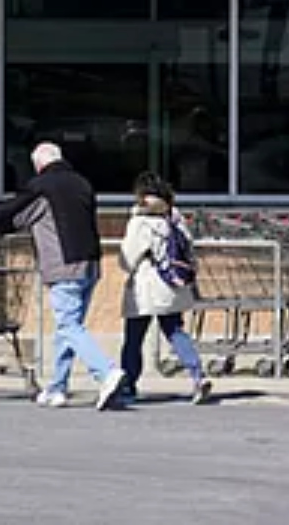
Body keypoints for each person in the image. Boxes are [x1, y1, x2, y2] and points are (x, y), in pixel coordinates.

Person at [0, 141, 125, 410]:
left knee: (69, 326)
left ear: (38, 164)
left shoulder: (43, 187)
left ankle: (106, 372)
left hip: (63, 265)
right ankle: (57, 387)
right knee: (69, 328)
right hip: (90, 264)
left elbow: (10, 214)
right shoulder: (82, 183)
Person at [115, 172, 212, 406]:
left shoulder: (140, 222)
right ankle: (198, 375)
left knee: (134, 338)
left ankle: (128, 384)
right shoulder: (175, 220)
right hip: (172, 285)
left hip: (146, 286)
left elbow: (127, 259)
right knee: (176, 331)